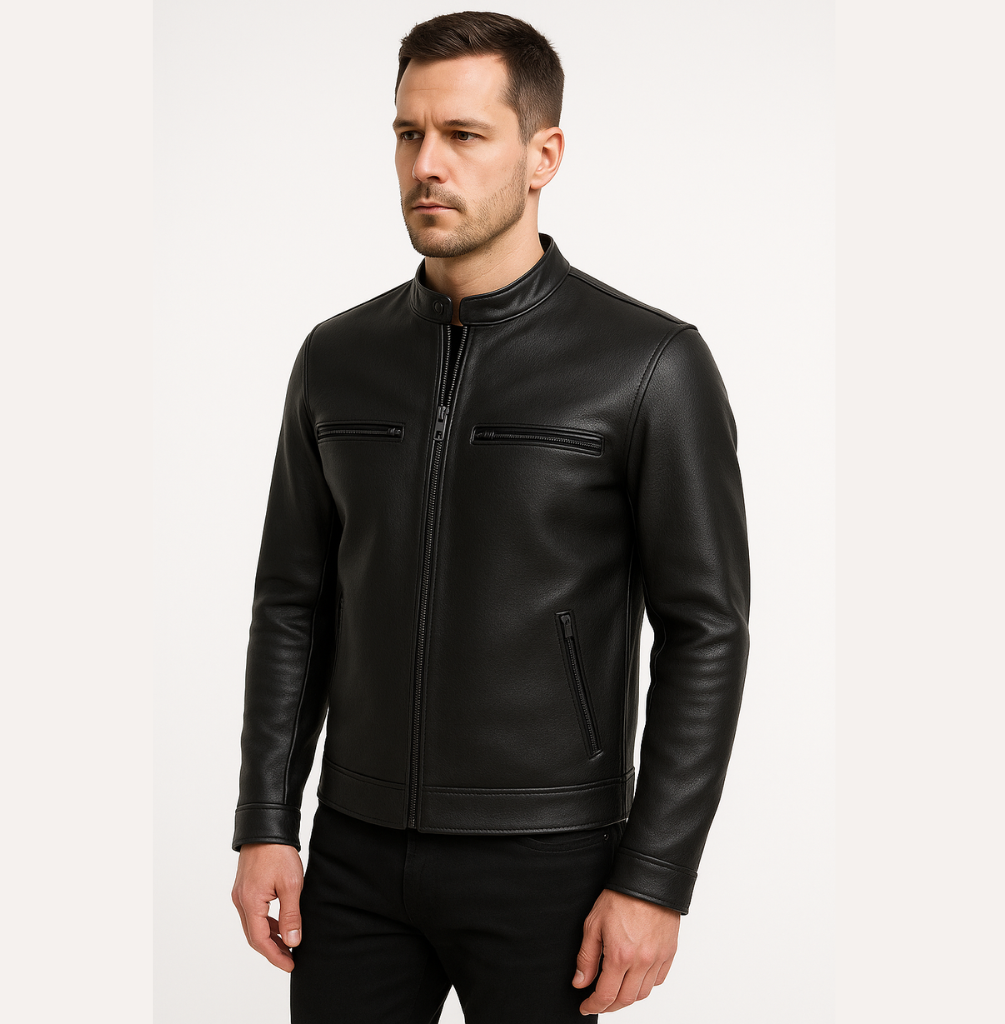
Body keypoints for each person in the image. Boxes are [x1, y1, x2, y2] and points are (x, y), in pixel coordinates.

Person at [230, 11, 751, 1023]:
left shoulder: (648, 365)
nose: (427, 164)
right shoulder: (336, 358)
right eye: (409, 133)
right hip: (355, 849)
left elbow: (707, 630)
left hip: (550, 861)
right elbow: (292, 602)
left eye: (464, 135)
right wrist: (265, 820)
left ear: (542, 154)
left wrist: (655, 875)